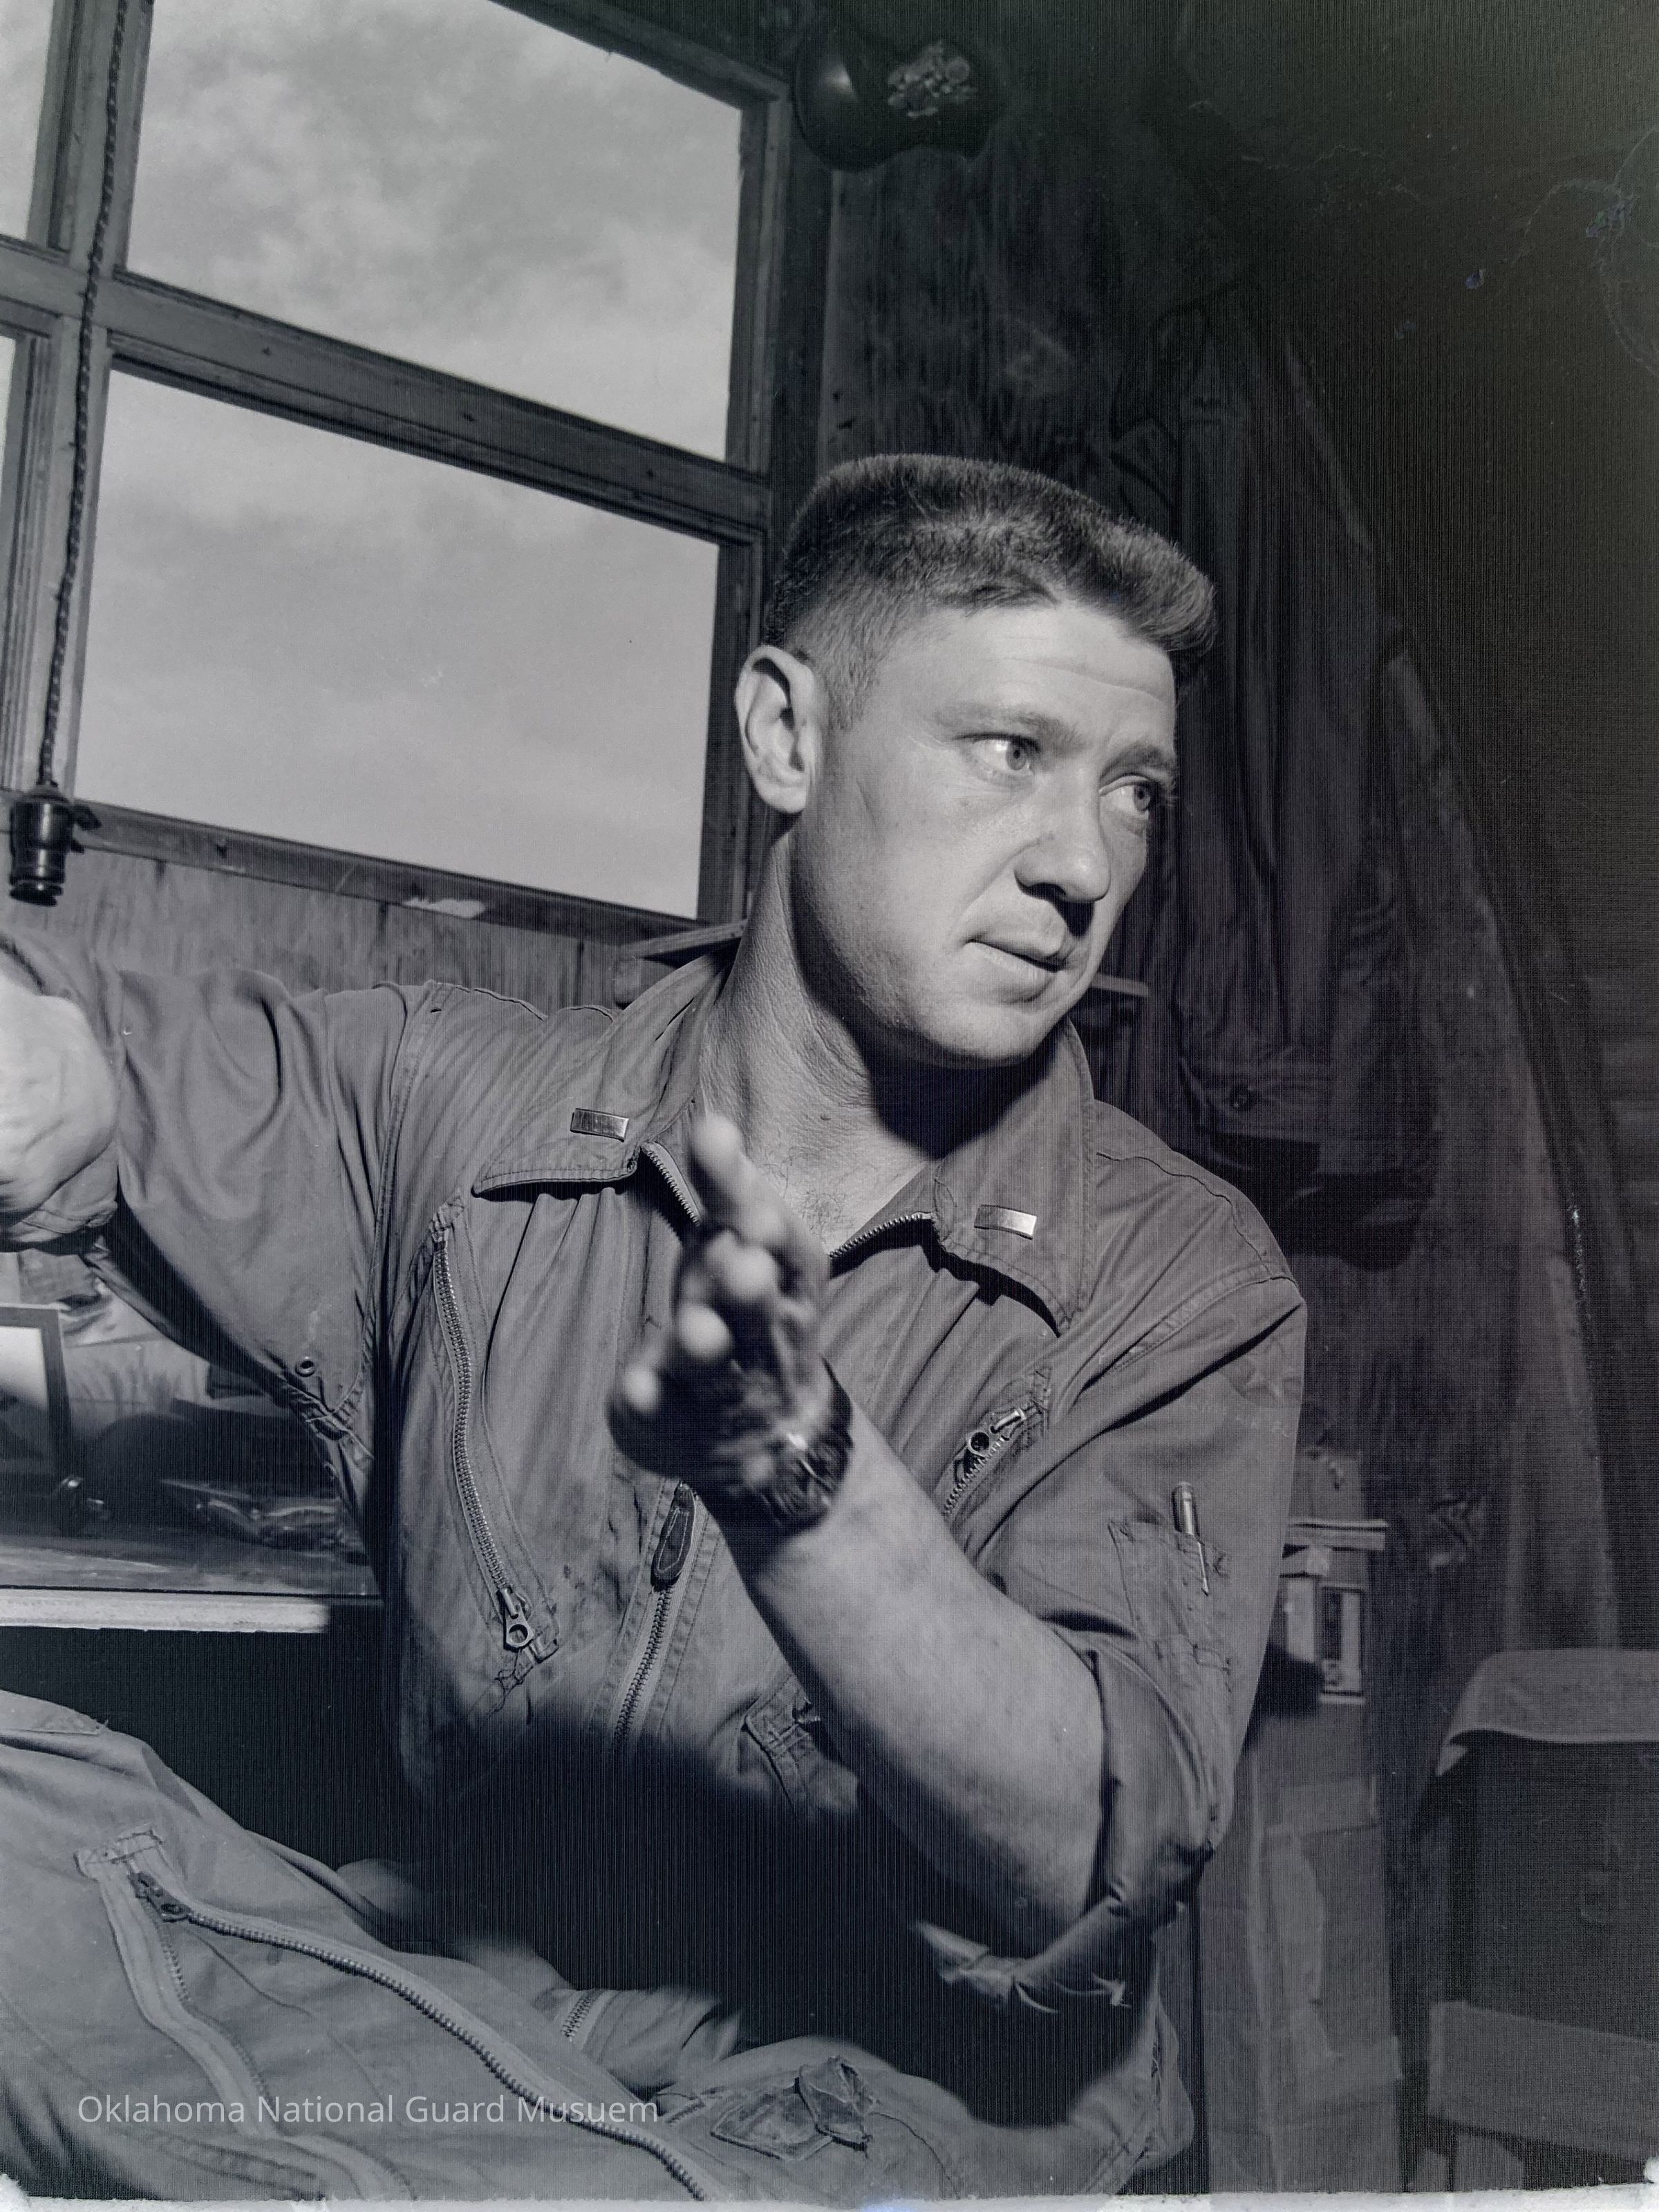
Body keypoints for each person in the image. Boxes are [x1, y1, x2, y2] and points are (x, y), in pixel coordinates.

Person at [0, 455, 1304, 2201]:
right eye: (1013, 751)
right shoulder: (448, 1102)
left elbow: (1077, 1852)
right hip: (451, 2049)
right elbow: (90, 1069)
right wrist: (38, 1085)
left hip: (862, 2121)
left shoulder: (1184, 1280)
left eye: (1133, 792)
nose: (1084, 862)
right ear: (786, 734)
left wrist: (803, 1483)